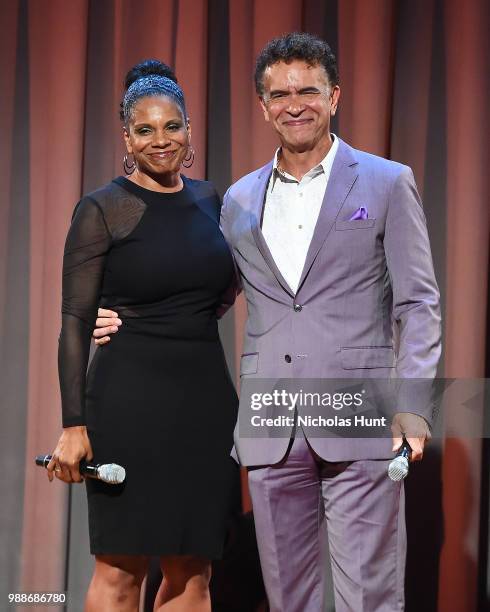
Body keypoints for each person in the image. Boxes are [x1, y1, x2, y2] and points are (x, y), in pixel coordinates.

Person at [95, 33, 441, 611]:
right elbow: (209, 291)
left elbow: (418, 302)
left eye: (308, 90)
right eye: (279, 94)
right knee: (286, 596)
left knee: (371, 593)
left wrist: (414, 404)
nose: (294, 104)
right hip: (270, 418)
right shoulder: (236, 200)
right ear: (263, 106)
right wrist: (127, 320)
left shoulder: (386, 181)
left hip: (359, 409)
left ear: (334, 96)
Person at [48, 59, 238, 612]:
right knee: (120, 570)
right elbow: (75, 322)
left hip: (204, 403)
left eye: (172, 126)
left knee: (193, 570)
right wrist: (73, 424)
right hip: (127, 404)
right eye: (146, 129)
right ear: (126, 137)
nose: (162, 140)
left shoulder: (213, 202)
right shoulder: (102, 209)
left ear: (189, 128)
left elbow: (225, 288)